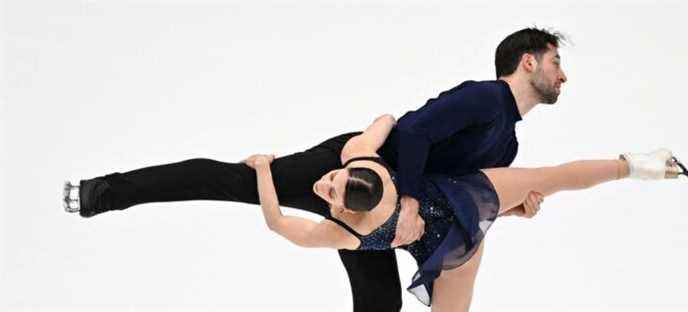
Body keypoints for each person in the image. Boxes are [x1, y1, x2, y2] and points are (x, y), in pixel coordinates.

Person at [63, 27, 603, 311]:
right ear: (528, 61)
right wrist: (410, 198)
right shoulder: (485, 98)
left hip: (377, 224)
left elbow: (466, 194)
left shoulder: (505, 143)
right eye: (557, 62)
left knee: (379, 304)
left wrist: (514, 210)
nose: (564, 75)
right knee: (232, 181)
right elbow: (411, 130)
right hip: (349, 171)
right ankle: (102, 193)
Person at [241, 112, 688, 310]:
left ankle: (640, 166)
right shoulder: (362, 158)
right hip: (462, 215)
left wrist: (264, 168)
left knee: (549, 177)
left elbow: (278, 222)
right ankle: (638, 165)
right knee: (547, 178)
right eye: (332, 184)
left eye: (331, 189)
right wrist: (372, 136)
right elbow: (387, 119)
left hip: (459, 228)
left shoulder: (347, 232)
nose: (325, 184)